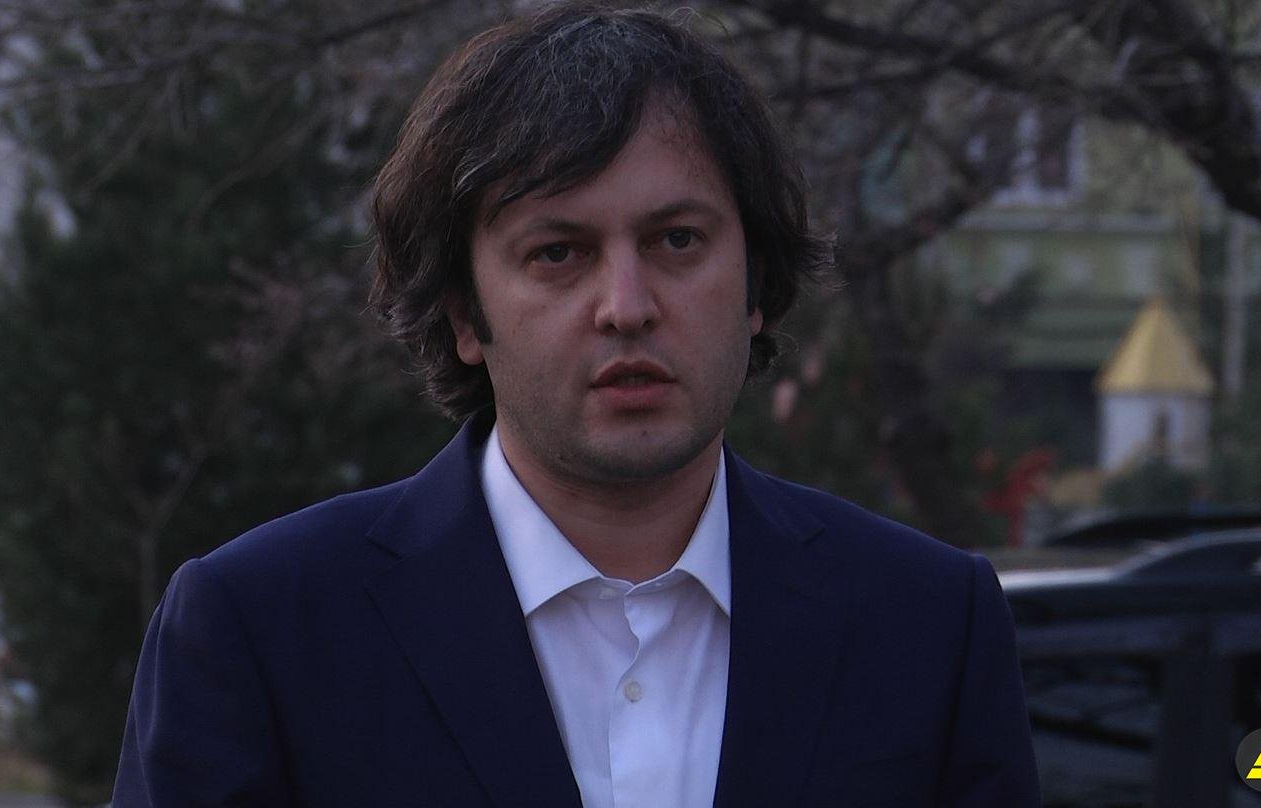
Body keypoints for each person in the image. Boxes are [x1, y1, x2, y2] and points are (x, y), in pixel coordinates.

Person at [112, 3, 1040, 806]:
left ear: (756, 284)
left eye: (678, 240)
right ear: (464, 313)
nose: (626, 306)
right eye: (557, 252)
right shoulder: (263, 631)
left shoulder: (927, 626)